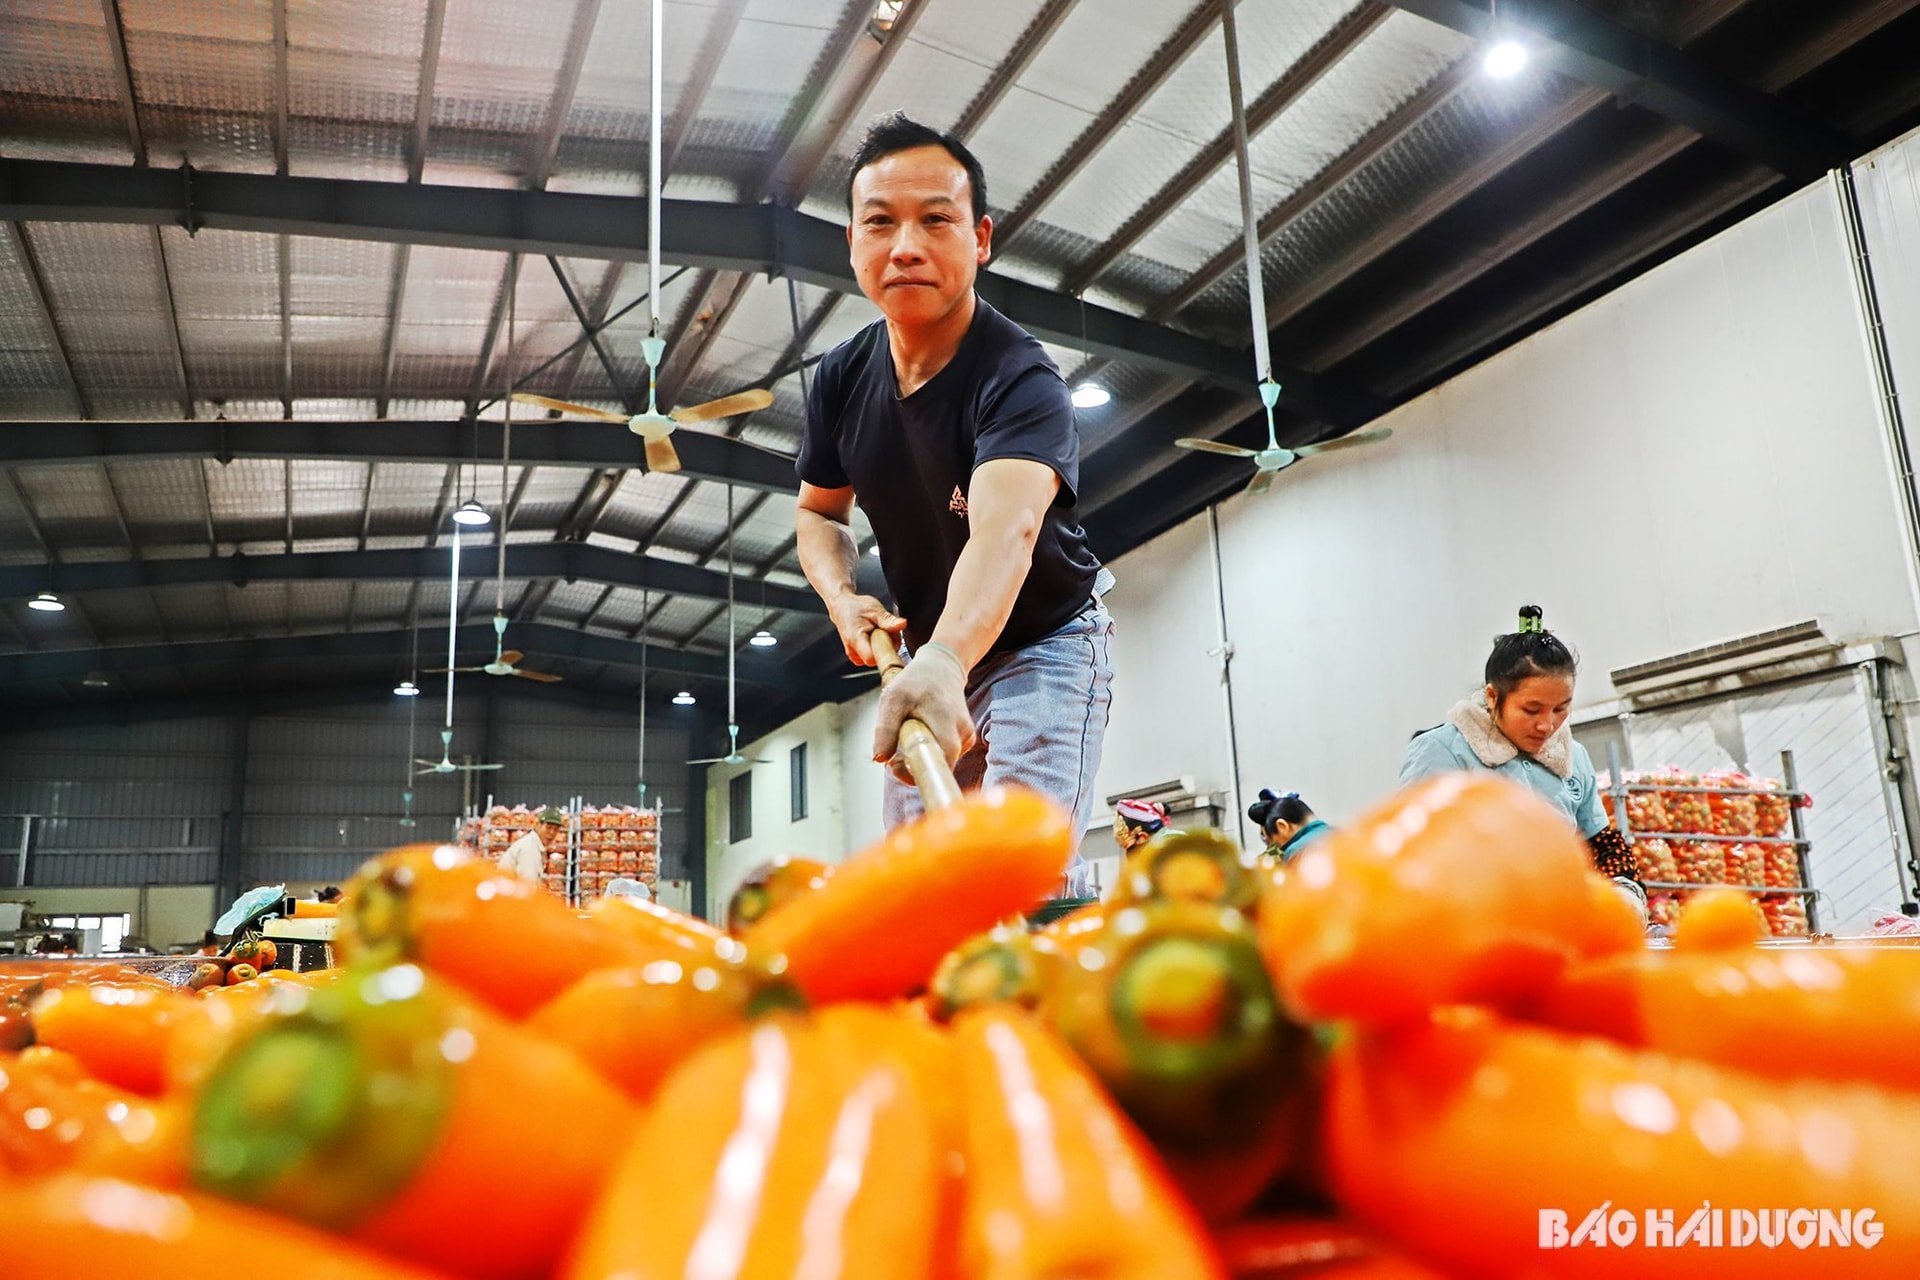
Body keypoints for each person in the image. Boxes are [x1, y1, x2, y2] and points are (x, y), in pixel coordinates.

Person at [795, 112, 1115, 892]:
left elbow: (1006, 534)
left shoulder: (1019, 377)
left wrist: (942, 661)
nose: (905, 245)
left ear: (980, 239)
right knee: (919, 886)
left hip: (1044, 641)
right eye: (880, 223)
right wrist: (843, 600)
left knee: (1014, 874)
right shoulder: (841, 376)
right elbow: (818, 513)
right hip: (933, 652)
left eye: (935, 220)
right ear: (852, 244)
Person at [1401, 605, 1645, 914]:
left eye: (1560, 709)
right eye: (1531, 710)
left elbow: (1602, 844)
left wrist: (1625, 893)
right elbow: (1417, 852)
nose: (1547, 725)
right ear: (1492, 697)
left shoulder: (1572, 757)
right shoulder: (1442, 752)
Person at [1246, 789, 1331, 861]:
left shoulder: (1296, 852)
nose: (1278, 848)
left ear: (1282, 826)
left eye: (1277, 843)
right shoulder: (1340, 836)